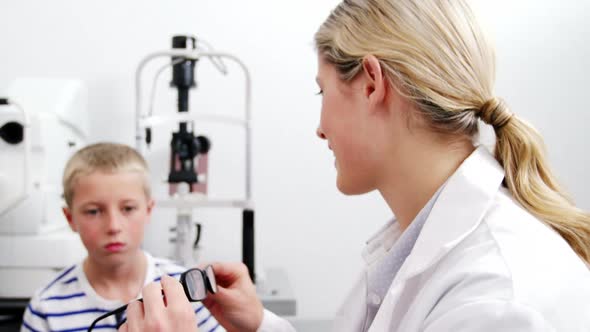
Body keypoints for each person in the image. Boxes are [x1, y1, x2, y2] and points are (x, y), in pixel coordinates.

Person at [120, 0, 590, 331]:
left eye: (321, 93)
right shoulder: (416, 245)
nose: (320, 129)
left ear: (370, 84)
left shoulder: (495, 301)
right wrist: (260, 325)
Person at [20, 143, 223, 332]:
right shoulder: (45, 307)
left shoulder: (185, 290)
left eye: (128, 208)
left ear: (148, 210)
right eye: (93, 211)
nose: (113, 227)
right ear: (70, 218)